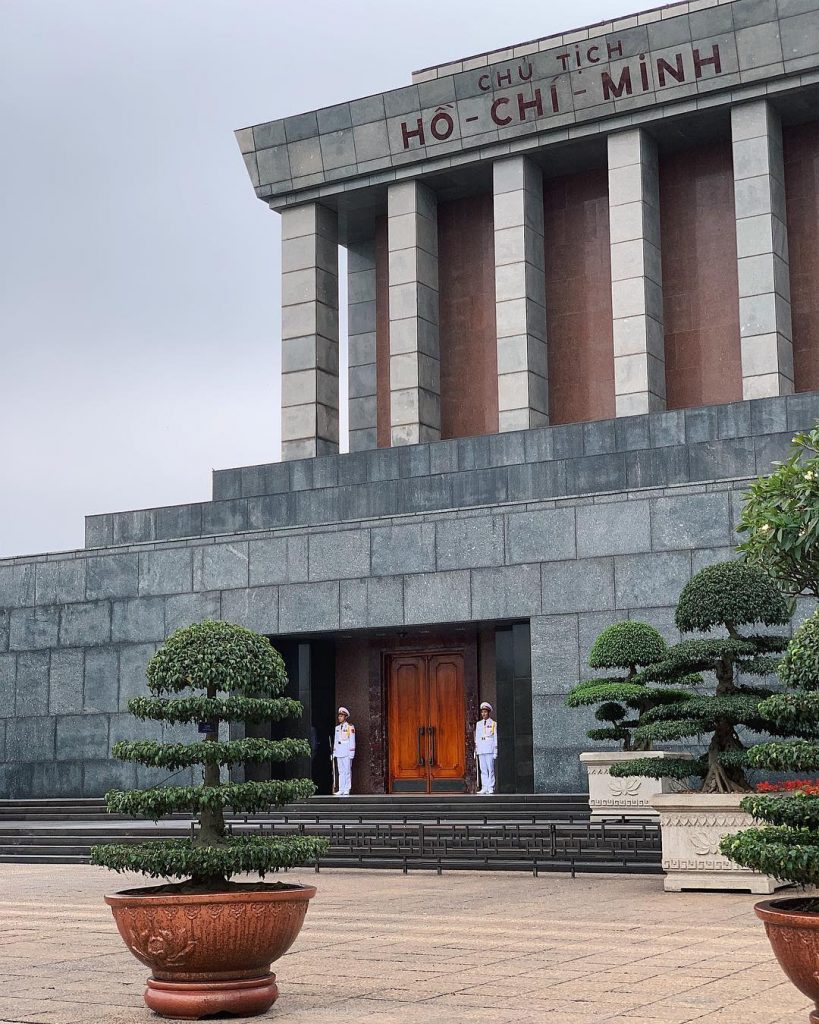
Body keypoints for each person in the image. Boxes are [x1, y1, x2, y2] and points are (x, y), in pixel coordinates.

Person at [474, 701, 497, 794]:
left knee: (490, 769)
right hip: (481, 749)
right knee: (483, 769)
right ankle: (484, 787)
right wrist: (476, 750)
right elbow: (477, 738)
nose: (483, 714)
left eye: (485, 712)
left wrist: (496, 751)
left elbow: (495, 737)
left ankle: (491, 786)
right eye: (482, 712)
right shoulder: (478, 724)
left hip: (489, 748)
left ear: (489, 712)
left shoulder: (493, 724)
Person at [333, 706, 355, 797]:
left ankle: (347, 788)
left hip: (346, 752)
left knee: (347, 771)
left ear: (345, 717)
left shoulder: (350, 727)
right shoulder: (337, 728)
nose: (339, 717)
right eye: (339, 716)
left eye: (341, 716)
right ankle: (341, 789)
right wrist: (334, 753)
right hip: (339, 752)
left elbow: (352, 740)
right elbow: (336, 741)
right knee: (340, 771)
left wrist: (351, 753)